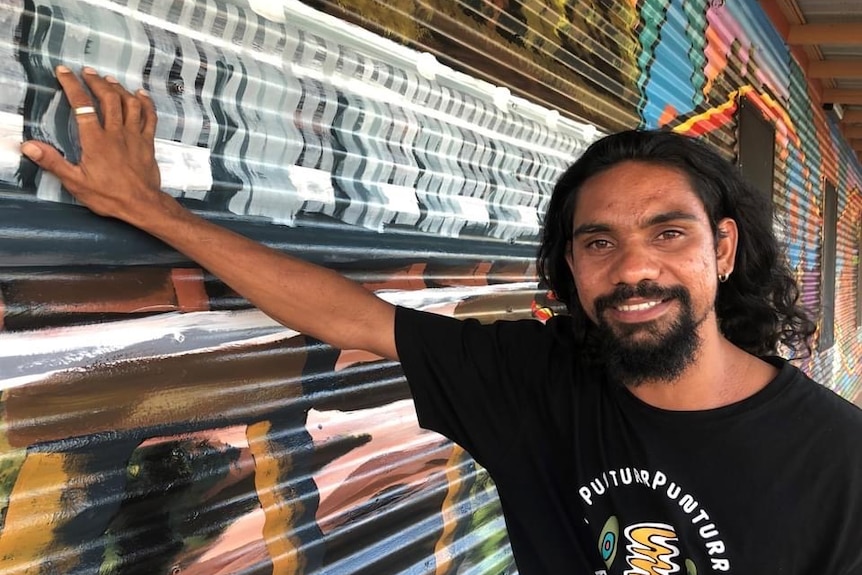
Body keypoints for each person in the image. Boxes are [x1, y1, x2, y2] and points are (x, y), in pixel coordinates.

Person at [19, 66, 862, 574]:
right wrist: (153, 211)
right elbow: (350, 315)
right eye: (597, 242)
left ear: (722, 248)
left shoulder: (840, 462)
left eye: (667, 234)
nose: (634, 268)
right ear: (571, 269)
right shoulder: (536, 376)